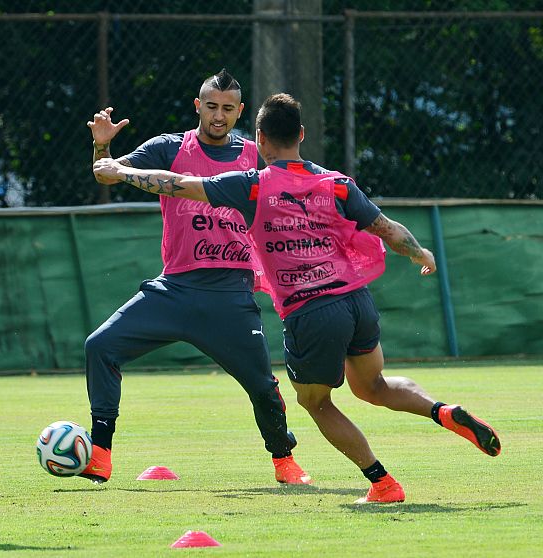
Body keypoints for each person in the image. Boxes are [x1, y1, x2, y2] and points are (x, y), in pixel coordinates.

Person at [93, 92, 501, 503]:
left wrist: (120, 171)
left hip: (312, 311)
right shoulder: (335, 182)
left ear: (260, 140)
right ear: (301, 135)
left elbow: (178, 185)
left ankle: (382, 483)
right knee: (373, 385)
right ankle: (442, 411)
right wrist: (420, 253)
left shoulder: (252, 187)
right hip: (357, 301)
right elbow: (388, 229)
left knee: (316, 402)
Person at [81, 69, 310, 485]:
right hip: (176, 289)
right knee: (100, 346)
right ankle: (100, 452)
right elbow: (105, 173)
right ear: (197, 106)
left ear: (240, 111)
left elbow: (293, 190)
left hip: (231, 295)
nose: (218, 116)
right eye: (211, 106)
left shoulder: (254, 156)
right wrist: (102, 144)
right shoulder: (169, 147)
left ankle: (284, 461)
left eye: (227, 109)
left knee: (262, 385)